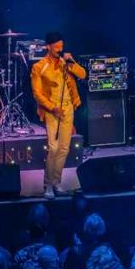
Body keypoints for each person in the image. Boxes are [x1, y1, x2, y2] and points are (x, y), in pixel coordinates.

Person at [29, 31, 87, 199]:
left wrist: (72, 62)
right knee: (53, 147)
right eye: (56, 47)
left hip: (68, 108)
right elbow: (37, 93)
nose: (60, 50)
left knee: (64, 148)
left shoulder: (65, 62)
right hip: (51, 110)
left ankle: (56, 182)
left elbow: (83, 74)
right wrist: (52, 108)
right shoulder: (39, 66)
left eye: (61, 46)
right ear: (48, 47)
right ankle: (47, 185)